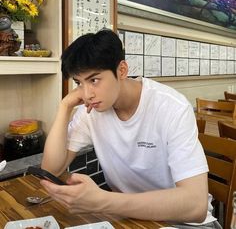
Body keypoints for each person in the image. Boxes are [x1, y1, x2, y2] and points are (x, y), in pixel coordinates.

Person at [41, 29, 221, 229]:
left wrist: (102, 200)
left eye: (94, 80)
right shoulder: (91, 111)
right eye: (78, 83)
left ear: (122, 70)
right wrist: (65, 107)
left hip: (184, 223)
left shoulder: (171, 107)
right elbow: (51, 169)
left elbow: (195, 206)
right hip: (129, 217)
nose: (86, 94)